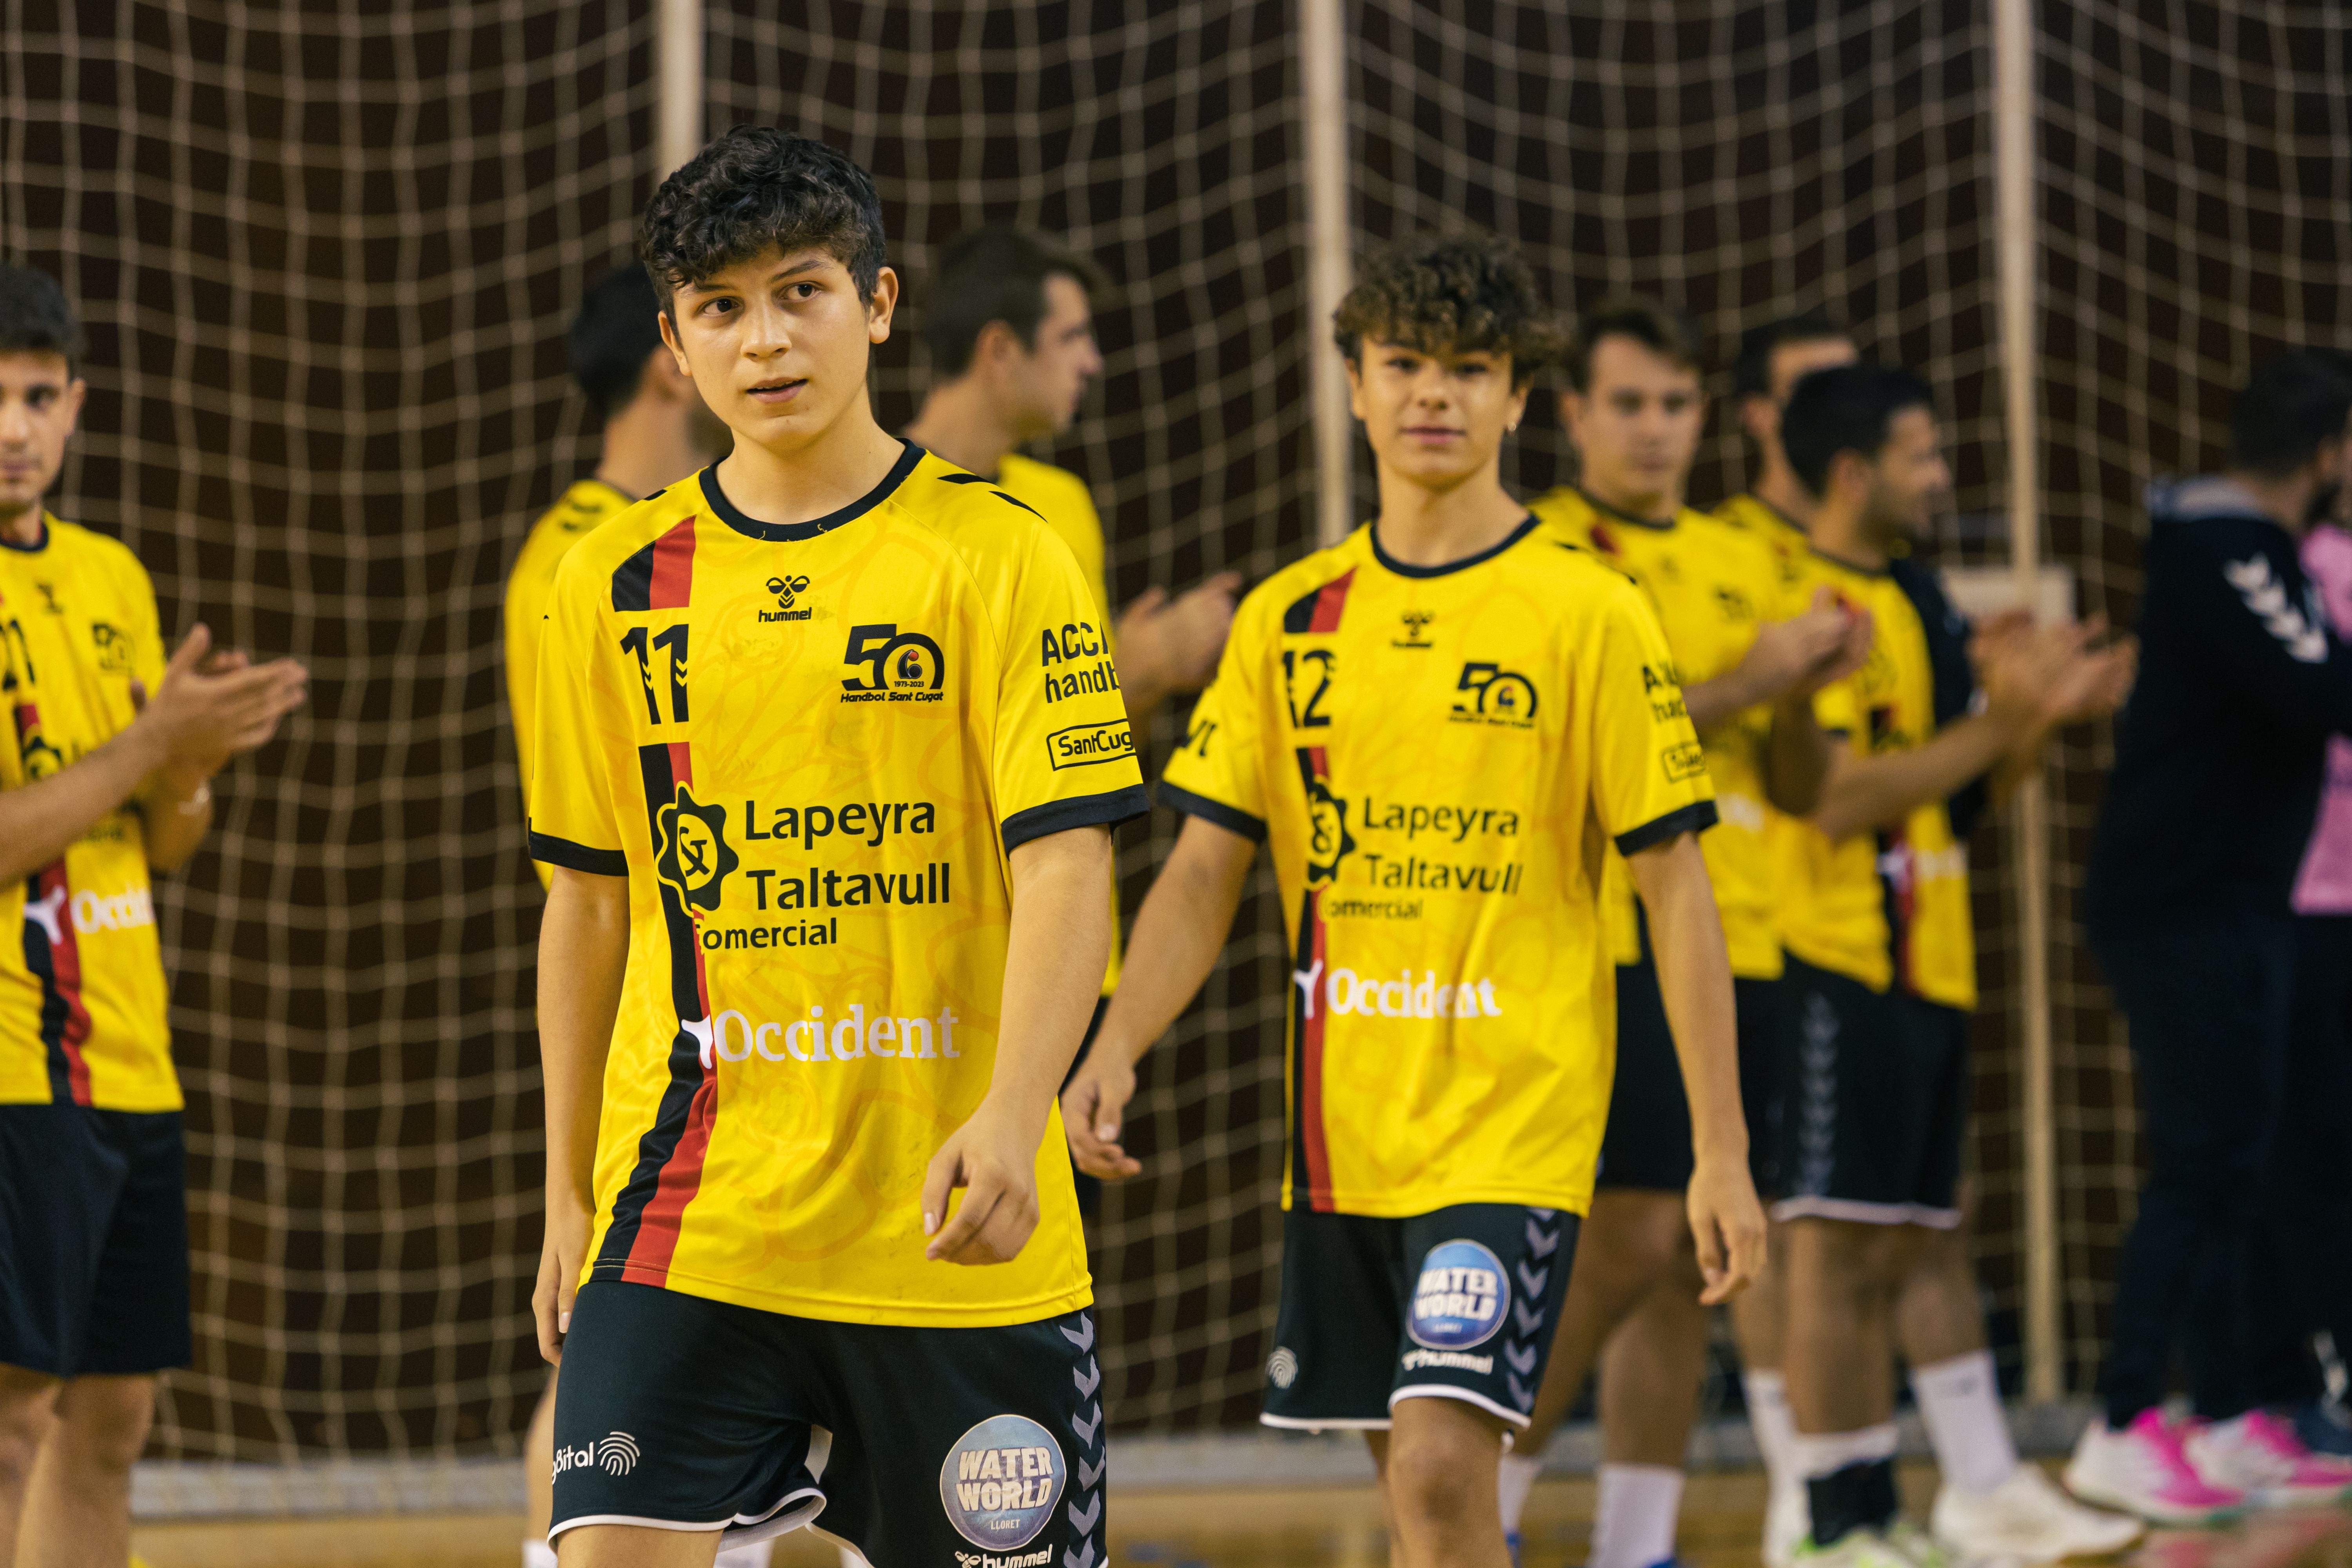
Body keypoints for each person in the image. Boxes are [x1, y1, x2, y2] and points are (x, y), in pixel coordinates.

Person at [1061, 233, 1767, 1568]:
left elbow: (1677, 888)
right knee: (1423, 1509)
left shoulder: (1589, 611)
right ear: (1355, 385)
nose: (1434, 393)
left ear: (1517, 399)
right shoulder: (1290, 618)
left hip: (1515, 1126)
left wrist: (1718, 1148)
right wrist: (1116, 1040)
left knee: (1444, 1473)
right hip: (1346, 1140)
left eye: (1469, 368)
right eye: (1404, 365)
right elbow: (1205, 866)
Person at [528, 128, 1143, 1566]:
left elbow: (1069, 866)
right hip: (692, 1214)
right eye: (722, 309)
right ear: (675, 344)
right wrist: (565, 1189)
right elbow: (588, 905)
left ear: (876, 304)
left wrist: (1015, 1112)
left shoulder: (1003, 553)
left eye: (800, 293)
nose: (765, 341)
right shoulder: (606, 582)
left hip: (947, 1225)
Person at [1719, 318, 2137, 1566]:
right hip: (1833, 961)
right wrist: (2002, 721)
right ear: (1855, 473)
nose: (1942, 476)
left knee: (1913, 1237)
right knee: (1831, 1252)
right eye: (1922, 455)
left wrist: (2036, 719)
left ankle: (1942, 1500)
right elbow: (1833, 801)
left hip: (1929, 961)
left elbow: (1951, 801)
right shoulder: (1808, 602)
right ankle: (1832, 1519)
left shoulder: (1917, 599)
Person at [1508, 298, 1866, 1568]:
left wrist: (1806, 689)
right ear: (1573, 415)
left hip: (1744, 938)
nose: (1655, 429)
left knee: (1687, 1264)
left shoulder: (1745, 558)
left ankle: (1637, 1543)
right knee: (1631, 1236)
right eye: (1628, 404)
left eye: (1675, 405)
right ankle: (1480, 1501)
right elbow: (1577, 745)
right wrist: (1755, 679)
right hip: (1607, 936)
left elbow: (1804, 784)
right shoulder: (1545, 552)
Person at [0, 265, 307, 1568]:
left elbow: (166, 841)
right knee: (12, 1415)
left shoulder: (112, 577)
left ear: (76, 408)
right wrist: (148, 747)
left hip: (132, 1058)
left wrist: (189, 767)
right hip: (15, 1067)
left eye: (37, 398)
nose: (15, 429)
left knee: (114, 1421)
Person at [2071, 350, 2352, 1522]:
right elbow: (2323, 690)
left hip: (2236, 903)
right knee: (2202, 1163)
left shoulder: (2261, 550)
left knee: (2238, 1165)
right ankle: (2123, 1419)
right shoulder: (2226, 545)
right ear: (2330, 450)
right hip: (2180, 907)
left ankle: (2232, 1415)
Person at [904, 225, 1239, 1205]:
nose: (1093, 362)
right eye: (1073, 337)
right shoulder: (877, 508)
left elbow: (1078, 748)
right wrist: (1139, 666)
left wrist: (1141, 684)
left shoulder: (1061, 503)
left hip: (1060, 956)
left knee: (1047, 1236)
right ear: (1000, 350)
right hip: (922, 965)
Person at [505, 263, 734, 1568]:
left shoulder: (681, 539)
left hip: (739, 1001)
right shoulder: (587, 558)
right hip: (661, 1008)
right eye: (717, 316)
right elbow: (588, 855)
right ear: (668, 359)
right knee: (613, 1345)